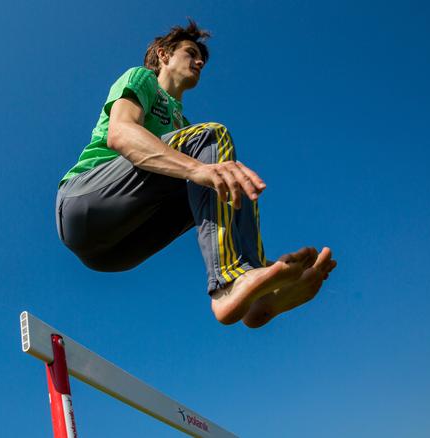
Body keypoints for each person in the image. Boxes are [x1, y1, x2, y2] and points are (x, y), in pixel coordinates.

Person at [55, 20, 337, 327]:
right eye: (191, 52)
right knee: (213, 142)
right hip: (83, 203)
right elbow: (120, 134)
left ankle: (256, 289)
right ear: (163, 55)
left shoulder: (183, 126)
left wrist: (274, 268)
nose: (200, 61)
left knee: (228, 177)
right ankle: (230, 281)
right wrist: (198, 169)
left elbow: (212, 206)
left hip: (115, 254)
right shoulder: (142, 79)